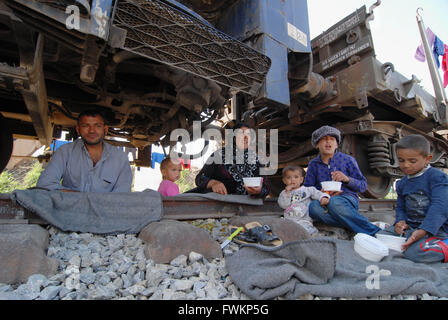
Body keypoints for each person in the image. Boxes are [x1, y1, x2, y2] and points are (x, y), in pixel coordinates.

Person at [377, 134, 448, 263]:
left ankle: (445, 244)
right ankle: (414, 243)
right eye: (401, 160)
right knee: (380, 237)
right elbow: (401, 207)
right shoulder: (402, 183)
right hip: (411, 229)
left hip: (436, 230)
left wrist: (424, 230)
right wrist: (400, 221)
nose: (406, 165)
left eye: (412, 161)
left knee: (414, 253)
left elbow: (440, 206)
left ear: (427, 159)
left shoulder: (436, 177)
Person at [304, 125, 381, 235]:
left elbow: (363, 186)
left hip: (347, 199)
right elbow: (308, 189)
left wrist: (346, 179)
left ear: (336, 144)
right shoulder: (313, 164)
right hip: (323, 201)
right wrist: (321, 194)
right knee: (313, 208)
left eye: (332, 139)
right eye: (324, 139)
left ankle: (374, 231)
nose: (328, 142)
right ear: (317, 144)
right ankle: (352, 225)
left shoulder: (348, 160)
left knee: (334, 202)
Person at [36, 109, 133, 192]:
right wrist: (79, 197)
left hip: (103, 213)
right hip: (69, 211)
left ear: (105, 129)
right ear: (78, 129)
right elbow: (44, 185)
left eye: (97, 125)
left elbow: (122, 197)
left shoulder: (120, 158)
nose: (91, 130)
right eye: (86, 125)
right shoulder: (65, 152)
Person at [191, 122, 269, 198]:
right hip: (218, 207)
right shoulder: (219, 155)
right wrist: (213, 183)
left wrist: (259, 191)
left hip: (246, 207)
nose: (246, 137)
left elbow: (266, 188)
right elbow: (199, 178)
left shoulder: (255, 159)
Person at [278, 165, 330, 236]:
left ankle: (316, 235)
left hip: (304, 220)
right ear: (284, 181)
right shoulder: (284, 193)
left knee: (306, 229)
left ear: (301, 180)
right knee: (283, 229)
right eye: (288, 178)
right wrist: (287, 193)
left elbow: (317, 193)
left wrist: (323, 197)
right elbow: (283, 205)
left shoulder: (307, 190)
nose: (293, 180)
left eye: (296, 177)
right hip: (289, 220)